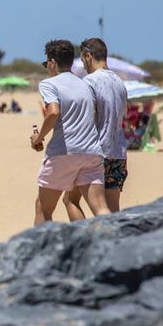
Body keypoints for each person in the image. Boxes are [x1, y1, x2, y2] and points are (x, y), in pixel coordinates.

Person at [30, 39, 109, 225]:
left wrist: (38, 138)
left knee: (43, 208)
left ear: (52, 62)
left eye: (46, 64)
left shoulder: (49, 84)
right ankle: (114, 243)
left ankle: (40, 252)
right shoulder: (85, 84)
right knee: (100, 208)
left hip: (63, 152)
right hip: (91, 151)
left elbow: (53, 112)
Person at [63, 37, 128, 217]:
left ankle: (88, 243)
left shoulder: (89, 82)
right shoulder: (120, 83)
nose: (83, 64)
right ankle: (117, 242)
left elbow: (85, 118)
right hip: (118, 152)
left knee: (71, 200)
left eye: (83, 59)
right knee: (112, 209)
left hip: (95, 152)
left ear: (88, 55)